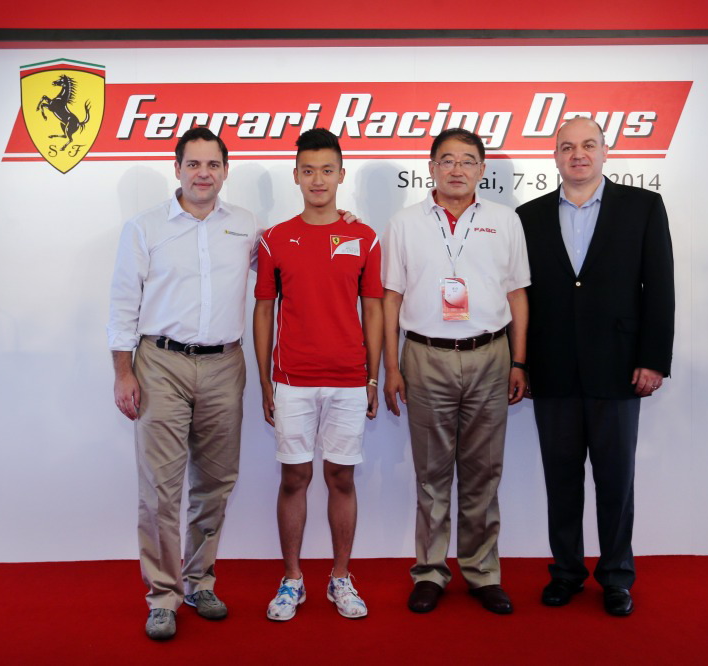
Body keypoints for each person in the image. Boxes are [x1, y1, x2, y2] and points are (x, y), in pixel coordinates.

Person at [107, 127, 262, 641]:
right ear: (177, 169)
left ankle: (200, 582)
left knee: (215, 483)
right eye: (193, 164)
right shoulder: (144, 227)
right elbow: (123, 304)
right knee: (160, 489)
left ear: (225, 171)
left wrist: (335, 220)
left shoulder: (246, 226)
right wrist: (123, 372)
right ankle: (162, 595)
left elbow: (289, 261)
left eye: (213, 164)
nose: (203, 174)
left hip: (224, 365)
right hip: (160, 364)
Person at [516, 117, 675, 616]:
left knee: (615, 482)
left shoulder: (643, 206)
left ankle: (616, 577)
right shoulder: (528, 216)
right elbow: (520, 296)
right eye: (567, 147)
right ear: (555, 157)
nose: (577, 154)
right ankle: (565, 573)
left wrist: (653, 359)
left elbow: (660, 287)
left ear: (605, 152)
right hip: (553, 369)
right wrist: (521, 362)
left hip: (620, 369)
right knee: (561, 481)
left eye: (588, 145)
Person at [382, 128, 530, 615]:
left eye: (468, 161)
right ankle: (429, 571)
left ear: (482, 170)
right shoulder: (404, 223)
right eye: (447, 160)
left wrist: (519, 361)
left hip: (490, 354)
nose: (457, 169)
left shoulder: (505, 221)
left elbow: (517, 295)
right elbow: (391, 297)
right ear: (431, 168)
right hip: (425, 356)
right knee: (431, 473)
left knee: (483, 471)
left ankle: (482, 572)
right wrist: (390, 366)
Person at [253, 128, 383, 621]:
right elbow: (263, 310)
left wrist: (373, 377)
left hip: (349, 379)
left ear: (341, 175)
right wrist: (265, 380)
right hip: (292, 380)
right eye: (308, 170)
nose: (318, 179)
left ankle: (340, 578)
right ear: (296, 176)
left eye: (327, 170)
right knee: (295, 477)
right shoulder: (273, 239)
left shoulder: (364, 237)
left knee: (341, 477)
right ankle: (292, 579)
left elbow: (374, 310)